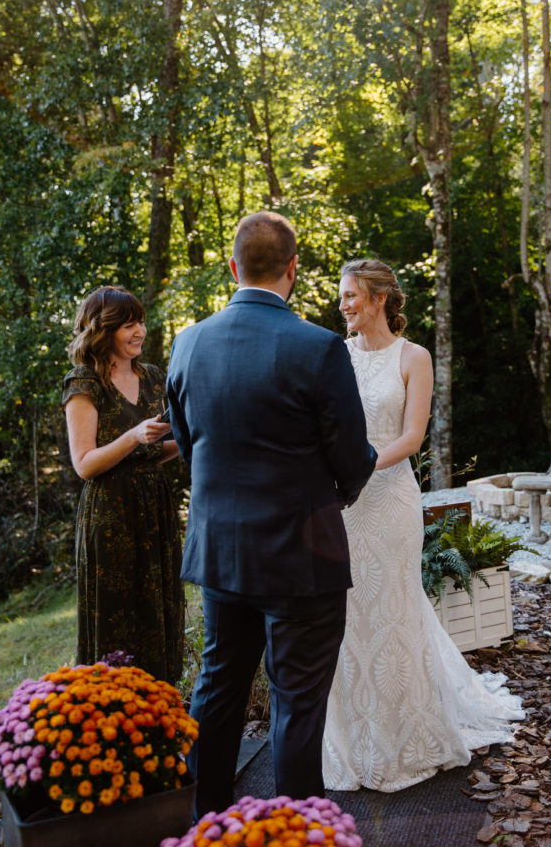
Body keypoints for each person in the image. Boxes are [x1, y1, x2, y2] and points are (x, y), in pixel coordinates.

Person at [166, 211, 377, 817]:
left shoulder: (187, 343)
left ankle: (203, 822)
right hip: (301, 556)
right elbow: (352, 455)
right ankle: (294, 829)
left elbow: (188, 442)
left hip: (219, 553)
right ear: (292, 269)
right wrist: (336, 490)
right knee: (297, 705)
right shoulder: (317, 347)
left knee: (218, 688)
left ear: (233, 268)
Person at [322, 259, 523, 792]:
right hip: (343, 505)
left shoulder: (415, 357)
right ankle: (354, 732)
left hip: (389, 502)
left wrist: (359, 468)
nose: (342, 305)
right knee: (347, 613)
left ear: (381, 299)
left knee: (393, 609)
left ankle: (407, 732)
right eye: (341, 297)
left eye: (350, 296)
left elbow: (412, 438)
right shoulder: (333, 356)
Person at [62, 285, 185, 685]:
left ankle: (161, 716)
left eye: (141, 322)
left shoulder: (152, 376)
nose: (139, 331)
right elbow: (84, 464)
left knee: (158, 613)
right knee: (118, 618)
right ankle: (112, 722)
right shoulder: (84, 382)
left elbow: (154, 452)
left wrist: (187, 446)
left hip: (155, 510)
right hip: (111, 514)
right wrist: (134, 436)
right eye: (128, 324)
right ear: (104, 328)